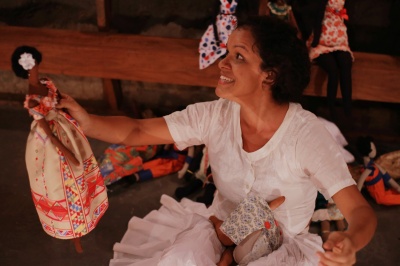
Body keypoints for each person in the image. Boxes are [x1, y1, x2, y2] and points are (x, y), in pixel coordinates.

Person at [58, 16, 376, 265]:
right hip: (221, 230)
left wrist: (349, 241)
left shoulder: (305, 135)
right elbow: (136, 132)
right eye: (226, 53)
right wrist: (82, 120)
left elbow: (360, 213)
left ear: (270, 75)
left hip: (283, 246)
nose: (222, 64)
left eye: (238, 56)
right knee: (178, 261)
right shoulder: (215, 115)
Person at [11, 46, 108, 253]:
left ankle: (85, 217)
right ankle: (73, 228)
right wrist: (65, 150)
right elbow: (47, 132)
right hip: (51, 142)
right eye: (33, 67)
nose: (36, 69)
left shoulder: (46, 82)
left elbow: (61, 98)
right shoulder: (33, 99)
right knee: (63, 182)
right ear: (27, 71)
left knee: (81, 176)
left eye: (36, 64)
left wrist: (71, 114)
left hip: (66, 126)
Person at [307, 0, 354, 121]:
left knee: (345, 64)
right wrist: (316, 40)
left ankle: (347, 107)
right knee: (333, 70)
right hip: (323, 38)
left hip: (339, 38)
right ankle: (331, 107)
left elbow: (348, 16)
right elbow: (317, 16)